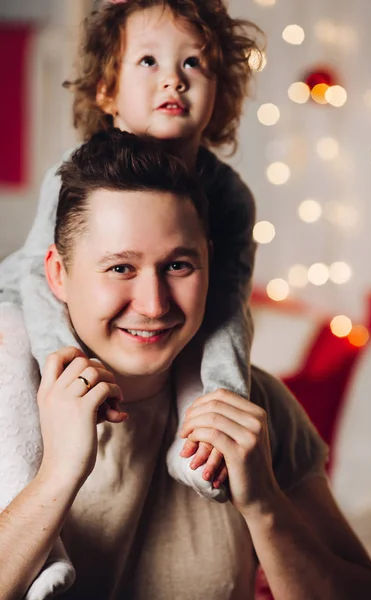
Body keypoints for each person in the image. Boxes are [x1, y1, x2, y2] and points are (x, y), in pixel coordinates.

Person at [0, 129, 371, 600]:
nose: (152, 303)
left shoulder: (255, 405)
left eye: (178, 266)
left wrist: (264, 505)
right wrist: (58, 474)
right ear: (58, 274)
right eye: (121, 268)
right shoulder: (11, 397)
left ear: (210, 264)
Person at [0, 0, 262, 593]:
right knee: (7, 344)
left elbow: (224, 313)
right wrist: (67, 368)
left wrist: (219, 401)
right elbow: (43, 288)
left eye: (195, 63)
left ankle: (187, 451)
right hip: (27, 310)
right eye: (147, 61)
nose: (173, 77)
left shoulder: (231, 198)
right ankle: (44, 552)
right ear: (107, 91)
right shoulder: (74, 176)